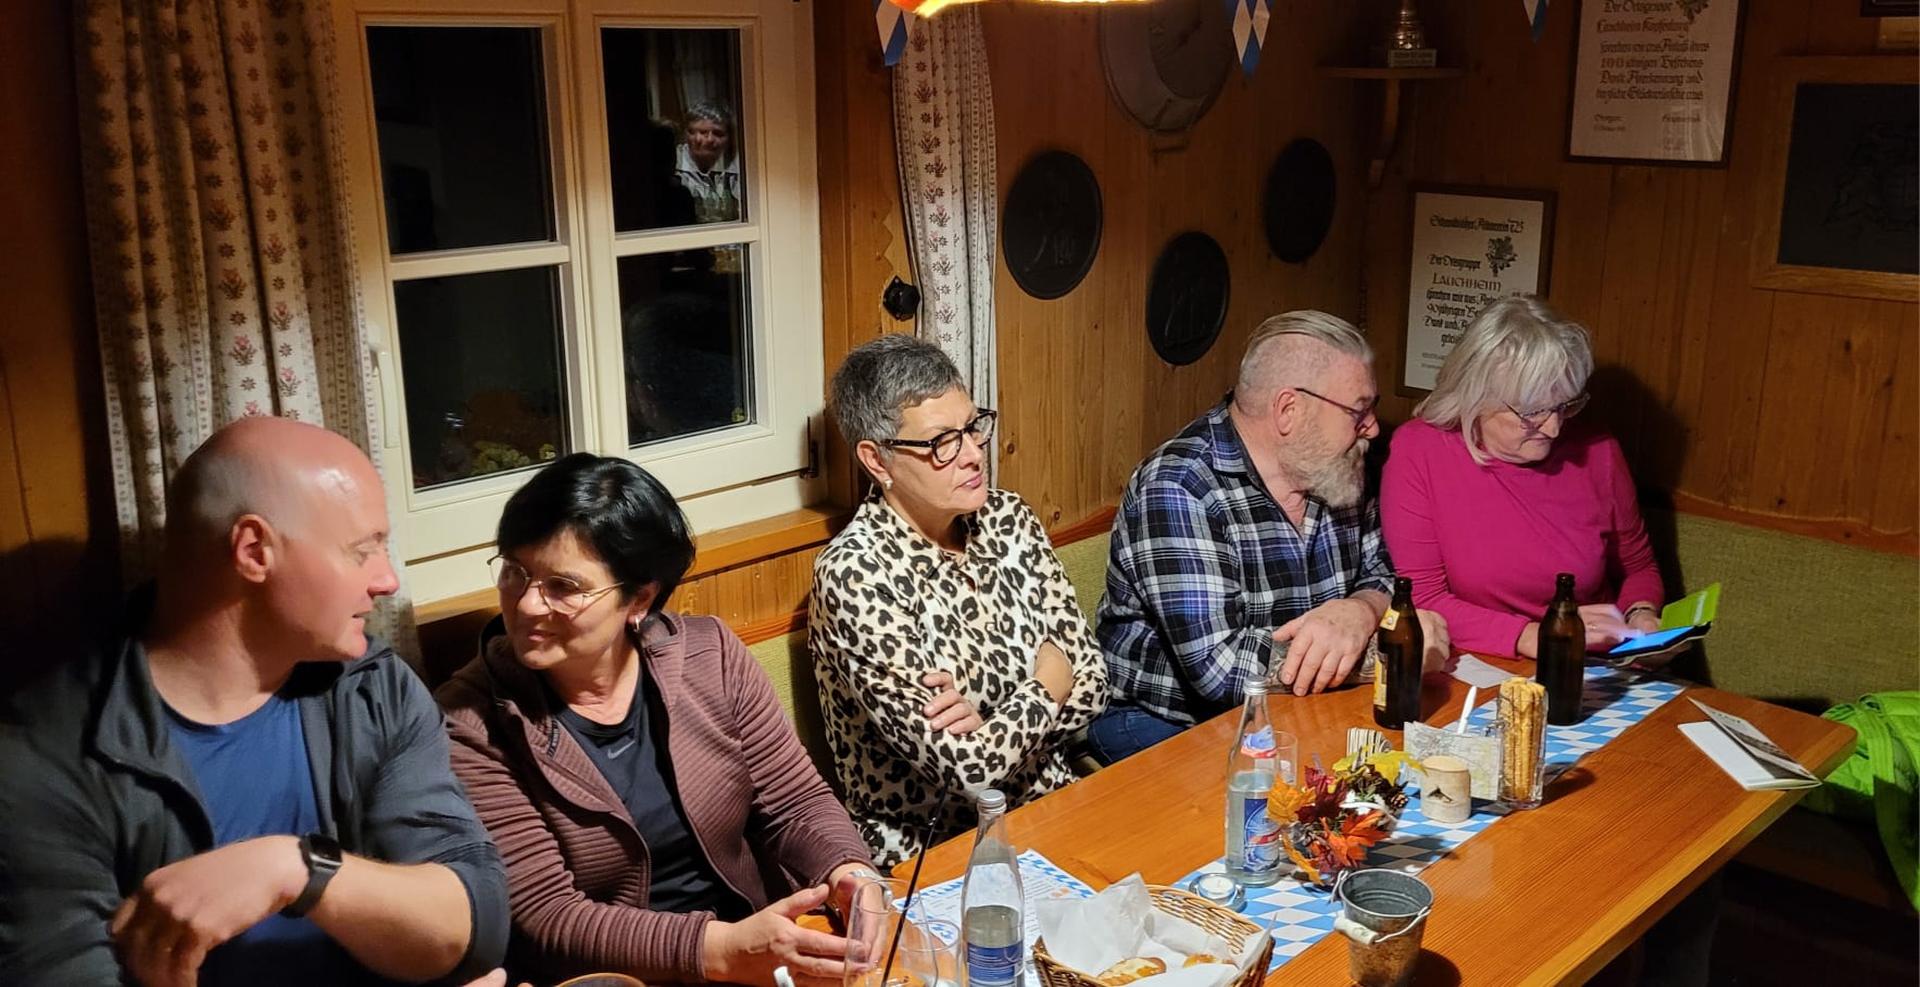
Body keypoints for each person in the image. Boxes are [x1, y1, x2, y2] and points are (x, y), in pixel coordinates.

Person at [0, 417, 509, 986]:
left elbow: (474, 925)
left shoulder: (370, 688)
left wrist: (299, 870)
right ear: (253, 550)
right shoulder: (47, 757)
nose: (387, 580)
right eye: (362, 551)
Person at [437, 454, 878, 986]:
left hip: (765, 950)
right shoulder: (470, 724)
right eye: (515, 572)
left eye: (563, 586)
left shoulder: (709, 656)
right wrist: (722, 949)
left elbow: (795, 802)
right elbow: (547, 915)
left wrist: (852, 872)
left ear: (639, 598)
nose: (528, 605)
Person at [1091, 311, 1450, 765]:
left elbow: (1382, 572)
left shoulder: (1334, 466)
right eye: (1358, 410)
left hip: (1295, 706)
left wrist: (1360, 611)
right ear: (1288, 410)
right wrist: (1395, 652)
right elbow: (1221, 670)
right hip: (1168, 723)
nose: (1373, 427)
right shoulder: (1180, 485)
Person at [809, 334, 1108, 866]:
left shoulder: (1008, 518)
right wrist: (1047, 682)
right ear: (877, 461)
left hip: (1050, 805)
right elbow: (968, 771)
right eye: (940, 443)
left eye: (973, 427)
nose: (972, 454)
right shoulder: (855, 574)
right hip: (932, 849)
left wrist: (988, 720)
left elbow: (1095, 684)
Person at [1380, 295, 1664, 658]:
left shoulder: (1599, 449)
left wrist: (1641, 613)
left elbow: (1638, 567)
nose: (1554, 428)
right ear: (1476, 397)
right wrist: (1536, 636)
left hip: (1592, 661)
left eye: (1565, 406)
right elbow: (1423, 599)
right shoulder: (1421, 449)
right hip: (1485, 661)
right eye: (1533, 412)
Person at [674, 102, 742, 224]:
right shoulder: (671, 167)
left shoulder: (743, 165)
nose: (710, 139)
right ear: (687, 134)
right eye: (702, 132)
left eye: (718, 133)